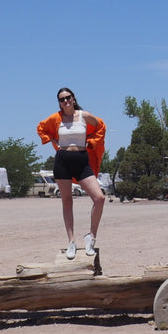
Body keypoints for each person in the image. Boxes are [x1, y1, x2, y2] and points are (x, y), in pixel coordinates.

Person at [37, 87, 106, 259]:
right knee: (67, 201)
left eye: (68, 97)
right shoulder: (56, 118)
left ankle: (91, 236)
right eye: (62, 99)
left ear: (74, 99)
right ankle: (71, 242)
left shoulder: (84, 115)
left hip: (82, 160)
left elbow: (101, 126)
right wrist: (52, 140)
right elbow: (41, 128)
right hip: (62, 161)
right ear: (59, 102)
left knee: (99, 198)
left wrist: (91, 142)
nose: (65, 101)